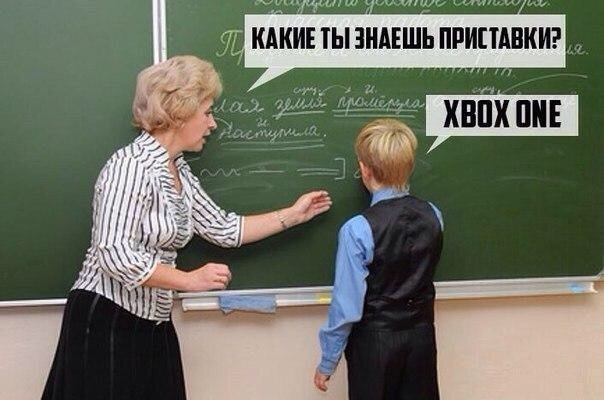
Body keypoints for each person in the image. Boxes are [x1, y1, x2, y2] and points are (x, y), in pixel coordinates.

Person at [42, 55, 332, 400]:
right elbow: (114, 253)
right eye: (207, 112)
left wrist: (292, 215)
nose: (213, 123)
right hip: (106, 319)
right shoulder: (130, 167)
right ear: (179, 113)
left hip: (152, 319)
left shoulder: (178, 171)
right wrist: (188, 280)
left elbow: (223, 228)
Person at [313, 118, 444, 400]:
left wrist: (328, 360)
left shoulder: (357, 229)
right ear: (409, 166)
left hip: (375, 343)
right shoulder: (434, 214)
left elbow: (347, 306)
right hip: (422, 337)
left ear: (365, 169)